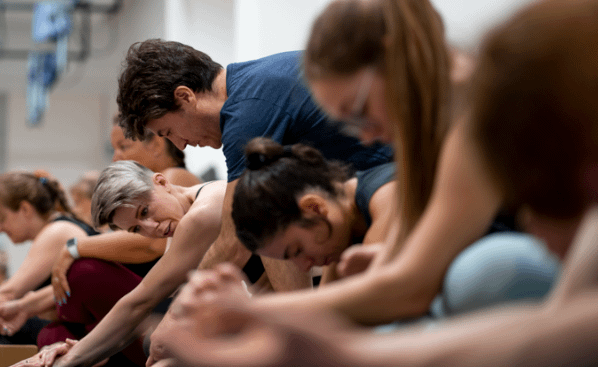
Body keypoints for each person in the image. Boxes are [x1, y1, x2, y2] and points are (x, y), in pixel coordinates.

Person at [159, 0, 598, 364]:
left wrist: (255, 316)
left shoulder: (479, 111)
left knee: (480, 274)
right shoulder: (424, 140)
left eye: (357, 109)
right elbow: (404, 275)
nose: (363, 135)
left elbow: (410, 284)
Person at [116, 37, 394, 296]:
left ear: (185, 96)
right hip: (383, 183)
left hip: (397, 182)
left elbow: (232, 241)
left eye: (168, 132)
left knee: (265, 215)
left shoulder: (246, 114)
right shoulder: (253, 82)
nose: (180, 146)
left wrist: (173, 313)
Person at [10, 160, 228, 367]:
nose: (151, 228)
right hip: (223, 330)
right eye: (136, 229)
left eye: (145, 211)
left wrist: (74, 357)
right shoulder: (178, 224)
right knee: (57, 336)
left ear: (162, 182)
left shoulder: (203, 211)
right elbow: (144, 307)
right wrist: (81, 351)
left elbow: (141, 301)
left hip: (246, 332)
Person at [0, 169, 144, 365]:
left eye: (1, 219)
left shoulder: (57, 231)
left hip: (112, 333)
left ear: (25, 209)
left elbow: (9, 292)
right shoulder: (59, 228)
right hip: (102, 330)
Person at [49, 122, 202, 305]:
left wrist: (74, 247)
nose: (115, 158)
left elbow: (152, 243)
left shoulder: (175, 176)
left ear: (156, 145)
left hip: (175, 302)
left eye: (123, 147)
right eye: (136, 228)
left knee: (84, 271)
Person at [232, 137, 396, 283]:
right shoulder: (340, 237)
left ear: (314, 207)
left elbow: (374, 292)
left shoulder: (387, 194)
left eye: (298, 250)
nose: (304, 267)